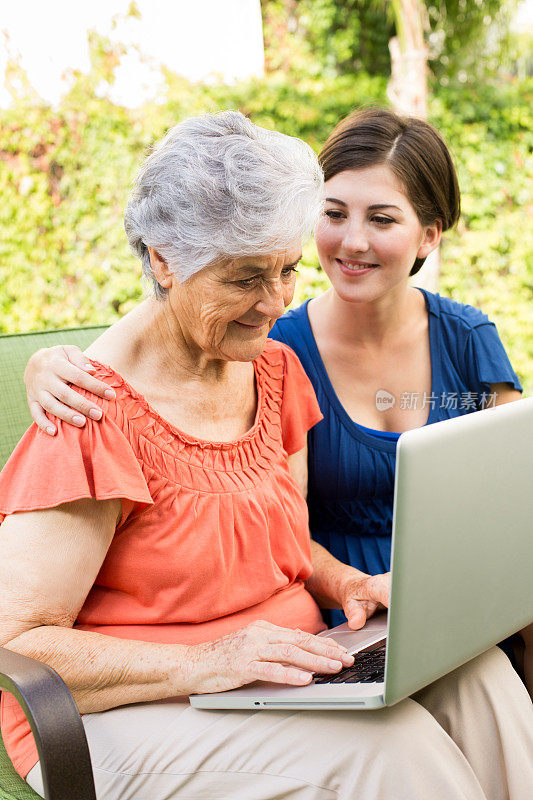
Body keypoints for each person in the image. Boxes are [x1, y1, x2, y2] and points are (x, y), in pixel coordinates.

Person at [6, 110, 532, 800]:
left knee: (478, 679)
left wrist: (344, 582)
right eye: (244, 279)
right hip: (120, 709)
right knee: (388, 749)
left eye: (286, 270)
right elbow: (21, 644)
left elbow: (285, 545)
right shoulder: (89, 411)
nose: (275, 301)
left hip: (271, 671)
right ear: (164, 258)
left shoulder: (273, 367)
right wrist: (204, 661)